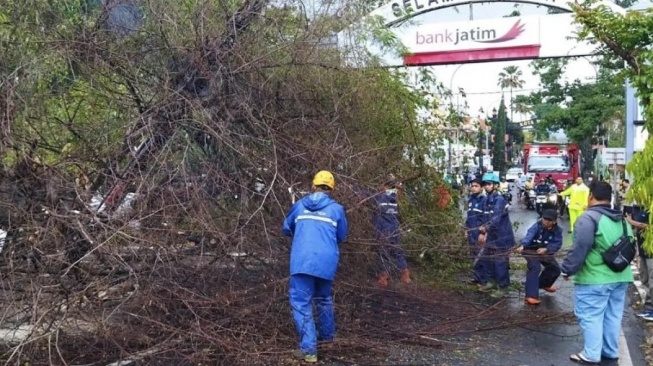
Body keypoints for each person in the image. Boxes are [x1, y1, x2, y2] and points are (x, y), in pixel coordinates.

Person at [560, 181, 634, 365]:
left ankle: (591, 354)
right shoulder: (622, 220)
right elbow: (631, 245)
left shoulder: (588, 218)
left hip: (594, 278)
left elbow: (580, 247)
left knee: (590, 315)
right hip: (621, 277)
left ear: (591, 195)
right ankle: (610, 351)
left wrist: (567, 269)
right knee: (612, 316)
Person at [283, 170, 348, 363]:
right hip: (326, 262)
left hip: (302, 261)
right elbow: (342, 236)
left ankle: (309, 351)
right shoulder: (337, 209)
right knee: (323, 299)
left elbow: (286, 228)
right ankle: (327, 340)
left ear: (313, 185)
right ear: (331, 189)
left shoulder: (299, 205)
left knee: (301, 303)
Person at [477, 172, 515, 298]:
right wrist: (482, 232)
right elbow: (483, 217)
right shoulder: (486, 200)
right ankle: (491, 282)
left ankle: (503, 287)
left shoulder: (500, 200)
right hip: (491, 237)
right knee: (488, 260)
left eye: (489, 184)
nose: (487, 186)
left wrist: (485, 228)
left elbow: (496, 219)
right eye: (485, 184)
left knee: (500, 262)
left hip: (502, 237)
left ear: (496, 185)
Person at [515, 209, 563, 305]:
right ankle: (530, 296)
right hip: (529, 249)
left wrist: (547, 249)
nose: (546, 221)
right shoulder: (537, 226)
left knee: (555, 268)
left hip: (543, 251)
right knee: (535, 267)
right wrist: (523, 245)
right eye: (544, 219)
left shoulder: (558, 231)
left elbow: (557, 243)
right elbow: (529, 236)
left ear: (554, 222)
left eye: (549, 220)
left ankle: (544, 284)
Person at [372, 175, 411, 287]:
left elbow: (366, 195)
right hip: (394, 228)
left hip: (384, 229)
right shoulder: (395, 196)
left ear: (383, 185)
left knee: (383, 253)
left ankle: (383, 277)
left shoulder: (380, 196)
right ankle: (405, 274)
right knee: (398, 251)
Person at [628, 208, 652, 320]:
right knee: (645, 280)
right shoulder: (639, 209)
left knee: (652, 282)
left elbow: (649, 227)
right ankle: (648, 307)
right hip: (643, 252)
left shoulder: (649, 209)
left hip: (651, 253)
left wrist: (631, 221)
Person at [465, 178, 487, 285]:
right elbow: (469, 218)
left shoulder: (484, 200)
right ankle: (476, 277)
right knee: (473, 255)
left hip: (479, 234)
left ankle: (483, 280)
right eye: (472, 186)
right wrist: (466, 230)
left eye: (476, 186)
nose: (473, 188)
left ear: (481, 188)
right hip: (471, 232)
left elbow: (487, 218)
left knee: (481, 257)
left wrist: (483, 233)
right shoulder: (470, 200)